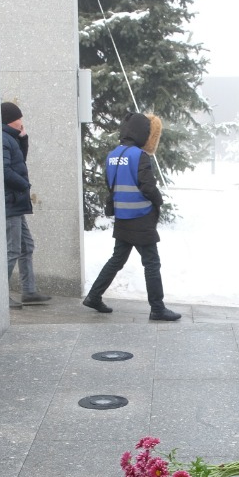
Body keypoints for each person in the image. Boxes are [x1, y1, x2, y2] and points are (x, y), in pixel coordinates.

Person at [83, 112, 181, 321]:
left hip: (123, 216)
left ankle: (94, 296)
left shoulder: (113, 155)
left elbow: (111, 184)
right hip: (141, 216)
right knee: (152, 263)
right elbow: (147, 186)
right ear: (141, 134)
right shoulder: (139, 156)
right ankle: (157, 308)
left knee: (117, 259)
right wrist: (158, 200)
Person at [2, 102, 50, 308]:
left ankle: (28, 292)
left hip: (16, 202)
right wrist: (24, 185)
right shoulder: (2, 139)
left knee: (26, 246)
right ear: (11, 119)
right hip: (10, 203)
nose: (22, 121)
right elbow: (4, 170)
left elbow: (20, 161)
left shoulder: (11, 138)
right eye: (19, 118)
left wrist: (24, 139)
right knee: (13, 250)